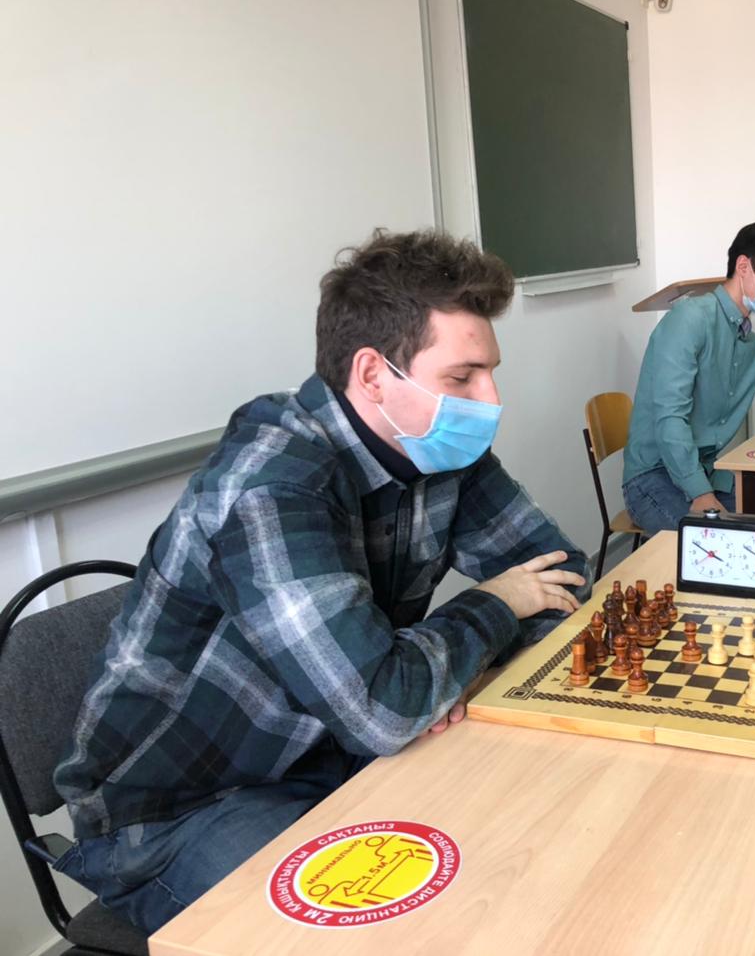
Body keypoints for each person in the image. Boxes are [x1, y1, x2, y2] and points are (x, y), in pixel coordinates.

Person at [52, 230, 590, 933]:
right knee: (409, 933)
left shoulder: (434, 448)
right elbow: (383, 708)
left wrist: (450, 674)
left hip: (337, 753)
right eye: (463, 378)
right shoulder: (270, 486)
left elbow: (562, 571)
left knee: (528, 851)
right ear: (373, 375)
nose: (491, 399)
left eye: (489, 373)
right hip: (186, 808)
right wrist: (492, 608)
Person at [622, 222, 755, 533]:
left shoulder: (751, 344)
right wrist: (701, 493)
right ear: (743, 266)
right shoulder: (690, 319)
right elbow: (670, 417)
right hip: (654, 476)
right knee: (718, 544)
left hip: (707, 471)